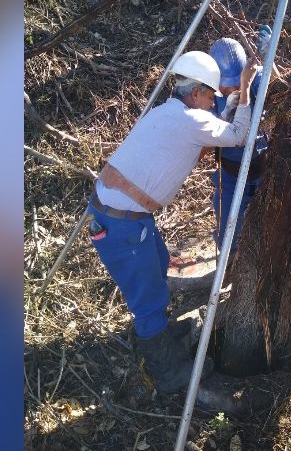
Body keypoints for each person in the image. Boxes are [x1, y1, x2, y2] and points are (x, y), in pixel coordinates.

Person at [88, 50, 255, 393]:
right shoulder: (191, 120)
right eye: (210, 97)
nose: (212, 104)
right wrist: (247, 89)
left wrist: (230, 99)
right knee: (147, 298)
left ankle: (161, 333)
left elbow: (213, 125)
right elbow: (238, 134)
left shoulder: (170, 113)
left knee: (161, 263)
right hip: (122, 225)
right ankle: (166, 372)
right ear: (196, 94)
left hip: (124, 215)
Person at [207, 38, 268, 247]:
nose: (232, 88)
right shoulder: (207, 93)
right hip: (230, 176)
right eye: (226, 85)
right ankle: (228, 263)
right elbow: (205, 132)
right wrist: (224, 114)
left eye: (237, 81)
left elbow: (284, 89)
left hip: (263, 170)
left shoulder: (257, 79)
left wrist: (269, 60)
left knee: (265, 228)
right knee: (228, 231)